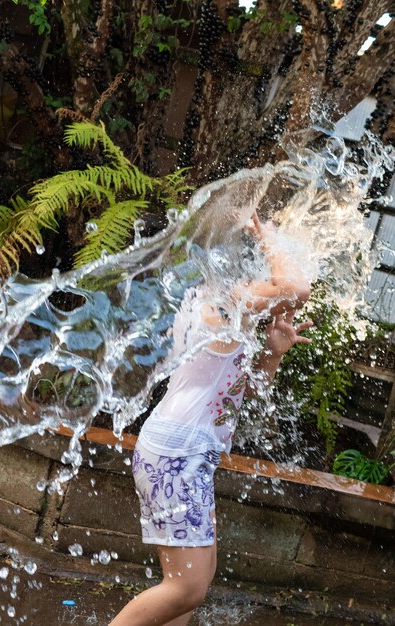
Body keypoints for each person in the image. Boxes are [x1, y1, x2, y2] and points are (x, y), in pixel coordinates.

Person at [108, 213, 313, 626]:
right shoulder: (226, 299)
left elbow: (242, 391)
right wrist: (268, 235)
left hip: (180, 452)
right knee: (186, 588)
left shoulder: (206, 301)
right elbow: (297, 288)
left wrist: (272, 353)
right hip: (176, 454)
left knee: (185, 588)